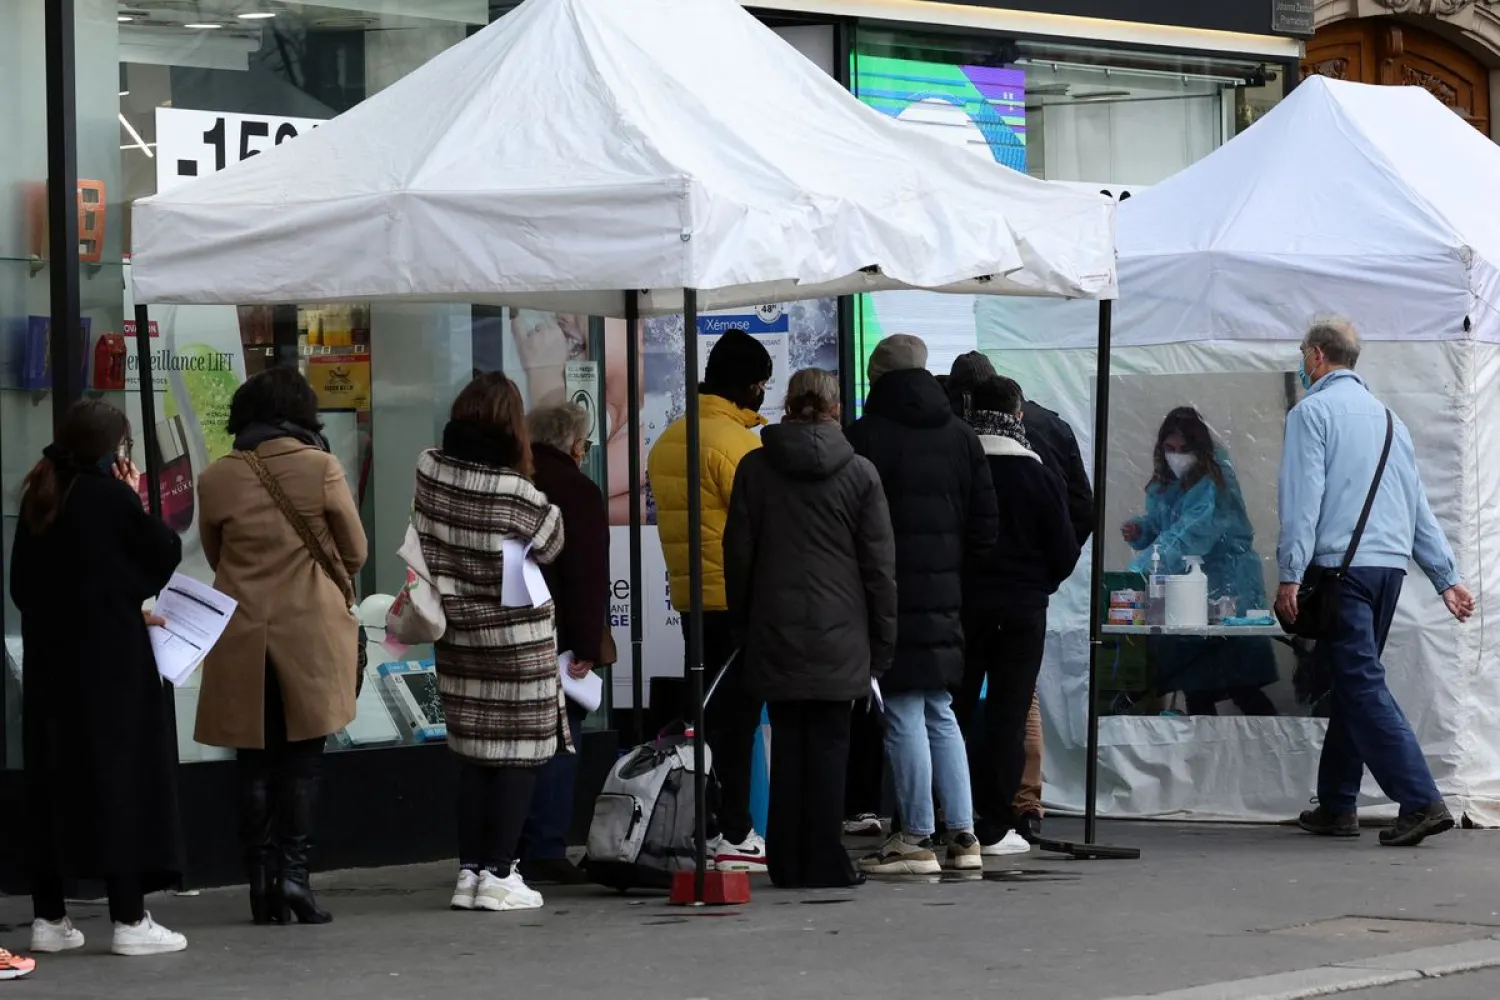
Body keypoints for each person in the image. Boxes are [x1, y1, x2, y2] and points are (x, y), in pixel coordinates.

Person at [1278, 318, 1473, 847]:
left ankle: (1420, 799)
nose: (1301, 360)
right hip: (1388, 569)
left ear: (1316, 355)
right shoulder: (1391, 421)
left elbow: (1303, 499)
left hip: (1343, 570)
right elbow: (1416, 506)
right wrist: (1445, 577)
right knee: (1351, 680)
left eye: (1302, 352)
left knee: (1360, 683)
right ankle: (1338, 804)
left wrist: (1290, 572)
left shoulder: (1311, 413)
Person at [14, 399, 187, 957]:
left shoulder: (40, 495)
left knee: (52, 783)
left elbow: (28, 585)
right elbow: (161, 552)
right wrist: (136, 495)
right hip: (111, 666)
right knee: (121, 780)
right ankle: (130, 920)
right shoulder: (110, 496)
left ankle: (49, 918)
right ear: (115, 449)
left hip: (49, 665)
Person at [195, 367, 367, 926]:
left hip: (241, 631)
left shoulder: (217, 476)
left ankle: (260, 883)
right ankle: (296, 878)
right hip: (308, 630)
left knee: (252, 759)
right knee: (303, 759)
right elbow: (356, 550)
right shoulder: (320, 467)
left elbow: (215, 552)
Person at [724, 369, 897, 888]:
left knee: (790, 742)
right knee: (829, 747)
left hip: (774, 629)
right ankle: (825, 859)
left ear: (787, 403)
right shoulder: (861, 473)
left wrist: (746, 627)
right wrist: (882, 646)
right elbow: (879, 569)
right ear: (835, 408)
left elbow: (738, 559)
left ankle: (787, 859)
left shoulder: (755, 468)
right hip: (842, 635)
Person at [847, 335, 998, 876]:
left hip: (885, 591)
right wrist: (954, 572)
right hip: (946, 595)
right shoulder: (962, 437)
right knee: (940, 710)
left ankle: (914, 836)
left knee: (905, 710)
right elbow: (986, 526)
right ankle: (964, 834)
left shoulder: (864, 437)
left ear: (877, 378)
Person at [416, 373, 567, 912]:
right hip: (517, 638)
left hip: (458, 632)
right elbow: (552, 539)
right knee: (518, 756)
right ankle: (501, 873)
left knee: (475, 758)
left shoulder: (429, 469)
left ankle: (470, 871)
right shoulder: (516, 492)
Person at [949, 350, 1094, 841]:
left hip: (966, 607)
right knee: (1012, 713)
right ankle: (999, 818)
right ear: (1016, 415)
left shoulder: (962, 469)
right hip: (1023, 610)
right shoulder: (1037, 472)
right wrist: (1039, 584)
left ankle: (950, 815)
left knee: (955, 709)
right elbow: (1067, 540)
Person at [647, 329, 773, 872]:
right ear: (748, 384)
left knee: (704, 716)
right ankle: (737, 831)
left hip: (690, 597)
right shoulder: (738, 445)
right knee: (737, 721)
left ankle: (706, 823)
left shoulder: (671, 437)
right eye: (762, 384)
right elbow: (764, 526)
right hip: (736, 601)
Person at [1123, 407, 1278, 716]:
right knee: (1196, 684)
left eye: (1184, 449)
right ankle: (1202, 759)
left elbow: (1192, 533)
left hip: (1229, 587)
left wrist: (1140, 570)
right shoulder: (1164, 484)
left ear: (1200, 448)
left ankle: (1271, 753)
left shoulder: (1215, 482)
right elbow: (1166, 526)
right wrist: (1142, 531)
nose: (1176, 456)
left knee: (1242, 685)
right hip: (1189, 590)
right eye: (1170, 449)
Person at [517, 402, 609, 885]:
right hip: (557, 639)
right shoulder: (578, 490)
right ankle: (546, 847)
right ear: (575, 445)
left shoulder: (515, 483)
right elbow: (587, 575)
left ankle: (512, 844)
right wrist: (587, 642)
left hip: (510, 634)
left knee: (515, 743)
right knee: (559, 740)